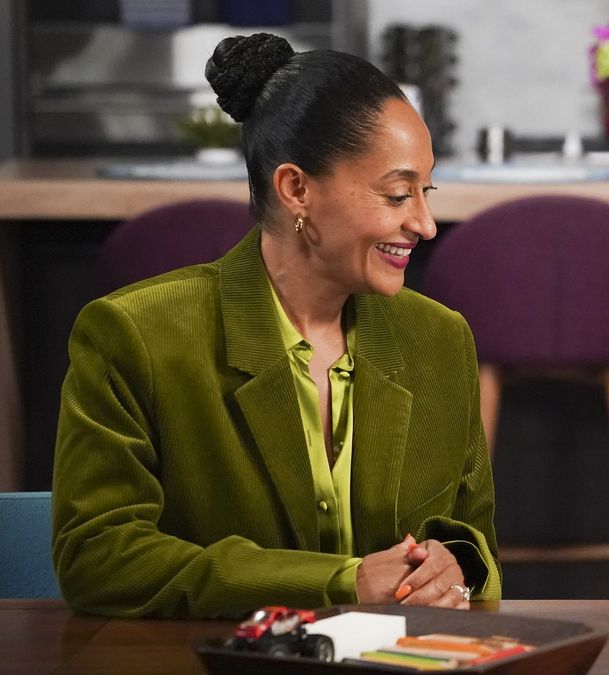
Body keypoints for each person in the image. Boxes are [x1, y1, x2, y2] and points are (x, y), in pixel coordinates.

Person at [51, 33, 500, 618]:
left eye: (426, 189)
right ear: (296, 189)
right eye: (396, 194)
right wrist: (343, 580)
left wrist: (453, 569)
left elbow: (473, 540)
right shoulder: (133, 335)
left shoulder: (438, 339)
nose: (424, 222)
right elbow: (98, 556)